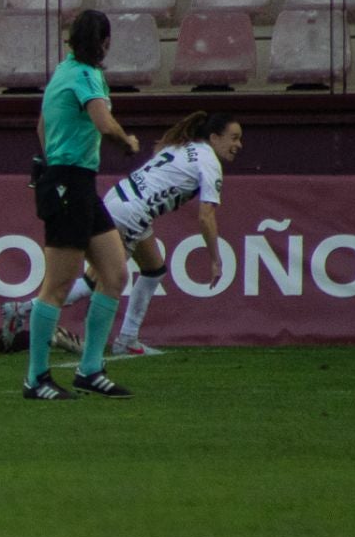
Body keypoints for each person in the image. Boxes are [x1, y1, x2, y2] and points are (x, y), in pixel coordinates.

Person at [34, 111, 244, 358]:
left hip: (121, 196)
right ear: (214, 137)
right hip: (132, 212)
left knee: (153, 269)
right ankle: (28, 311)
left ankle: (127, 338)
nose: (238, 145)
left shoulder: (186, 146)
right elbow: (205, 216)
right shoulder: (208, 162)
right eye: (234, 138)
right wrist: (214, 258)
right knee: (102, 279)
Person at [23, 9, 142, 401]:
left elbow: (41, 126)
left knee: (115, 274)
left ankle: (89, 369)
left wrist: (51, 161)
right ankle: (36, 378)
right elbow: (104, 123)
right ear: (105, 42)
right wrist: (127, 142)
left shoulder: (63, 71)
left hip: (76, 181)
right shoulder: (88, 76)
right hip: (70, 182)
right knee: (56, 286)